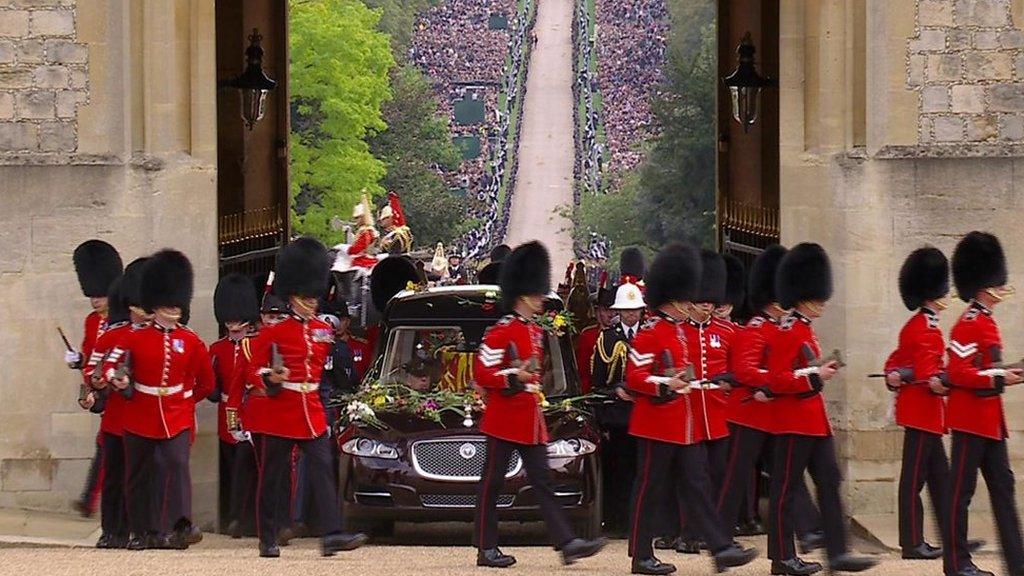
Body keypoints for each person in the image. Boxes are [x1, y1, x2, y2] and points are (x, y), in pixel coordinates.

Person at [625, 243, 757, 576]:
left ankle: (721, 548)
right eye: (686, 300)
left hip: (684, 425)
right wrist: (664, 385)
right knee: (649, 490)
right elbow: (635, 377)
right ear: (671, 299)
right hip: (655, 423)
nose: (691, 305)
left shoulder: (679, 333)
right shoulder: (650, 333)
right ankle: (641, 555)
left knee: (698, 485)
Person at [473, 241, 607, 568]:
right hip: (504, 418)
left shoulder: (533, 330)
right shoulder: (501, 331)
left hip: (529, 419)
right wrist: (513, 377)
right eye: (536, 293)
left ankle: (567, 543)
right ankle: (485, 547)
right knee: (492, 484)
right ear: (522, 295)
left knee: (544, 482)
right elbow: (482, 372)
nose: (540, 298)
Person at [245, 237, 368, 558]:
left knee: (322, 468)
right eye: (305, 297)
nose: (312, 303)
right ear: (292, 297)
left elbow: (323, 368)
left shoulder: (321, 331)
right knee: (272, 477)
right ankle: (267, 536)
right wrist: (269, 377)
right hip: (280, 411)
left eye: (314, 297)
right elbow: (252, 371)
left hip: (310, 409)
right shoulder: (273, 332)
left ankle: (331, 534)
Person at [765, 243, 876, 574]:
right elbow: (777, 379)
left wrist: (817, 370)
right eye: (818, 297)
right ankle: (782, 558)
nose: (823, 304)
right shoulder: (787, 330)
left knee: (830, 479)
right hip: (793, 421)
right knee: (784, 491)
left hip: (814, 422)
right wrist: (815, 375)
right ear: (801, 295)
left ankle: (837, 552)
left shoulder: (805, 330)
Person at [716, 246, 823, 576]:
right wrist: (776, 381)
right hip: (749, 415)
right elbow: (746, 371)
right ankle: (720, 542)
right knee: (735, 482)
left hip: (775, 417)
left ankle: (801, 538)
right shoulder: (755, 329)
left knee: (787, 484)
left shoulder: (782, 329)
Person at [106, 250, 215, 550]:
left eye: (176, 304)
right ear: (155, 306)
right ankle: (144, 532)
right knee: (138, 476)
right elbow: (111, 364)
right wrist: (120, 379)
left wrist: (185, 400)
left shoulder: (191, 340)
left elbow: (207, 382)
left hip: (176, 414)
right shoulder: (134, 337)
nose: (173, 310)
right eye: (167, 305)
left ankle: (181, 525)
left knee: (177, 464)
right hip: (140, 412)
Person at [943, 231, 1024, 576]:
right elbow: (958, 372)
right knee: (960, 495)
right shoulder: (968, 324)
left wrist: (1008, 372)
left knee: (1004, 490)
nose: (1002, 288)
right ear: (983, 285)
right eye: (997, 283)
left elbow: (984, 368)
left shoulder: (986, 322)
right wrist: (997, 378)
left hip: (991, 423)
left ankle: (1017, 563)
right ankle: (956, 563)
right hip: (970, 421)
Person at [661, 250, 734, 554]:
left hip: (717, 415)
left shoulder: (727, 332)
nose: (707, 306)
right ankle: (685, 533)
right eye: (702, 301)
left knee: (716, 476)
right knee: (691, 480)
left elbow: (737, 367)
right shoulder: (675, 332)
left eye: (710, 301)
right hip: (687, 413)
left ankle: (708, 531)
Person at [69, 239, 123, 518]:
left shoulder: (120, 318)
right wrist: (80, 363)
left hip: (119, 386)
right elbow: (90, 351)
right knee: (104, 442)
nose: (95, 298)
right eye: (93, 294)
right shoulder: (92, 321)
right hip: (99, 386)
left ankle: (91, 500)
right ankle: (90, 499)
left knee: (106, 443)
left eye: (100, 294)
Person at [590, 280, 644, 537]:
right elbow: (598, 383)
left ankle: (643, 522)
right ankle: (617, 522)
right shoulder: (607, 338)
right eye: (626, 309)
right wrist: (616, 391)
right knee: (618, 471)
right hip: (618, 416)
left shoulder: (649, 335)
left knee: (644, 472)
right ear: (619, 312)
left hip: (645, 414)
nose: (631, 314)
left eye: (635, 309)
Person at [207, 273, 260, 535]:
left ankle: (242, 517)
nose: (232, 324)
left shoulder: (257, 345)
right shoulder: (217, 349)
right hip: (226, 415)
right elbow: (210, 380)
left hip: (252, 412)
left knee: (247, 466)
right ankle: (235, 515)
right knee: (231, 468)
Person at [577, 270, 615, 394]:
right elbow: (583, 373)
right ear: (598, 312)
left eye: (614, 310)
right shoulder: (588, 336)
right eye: (606, 310)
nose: (611, 314)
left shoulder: (623, 335)